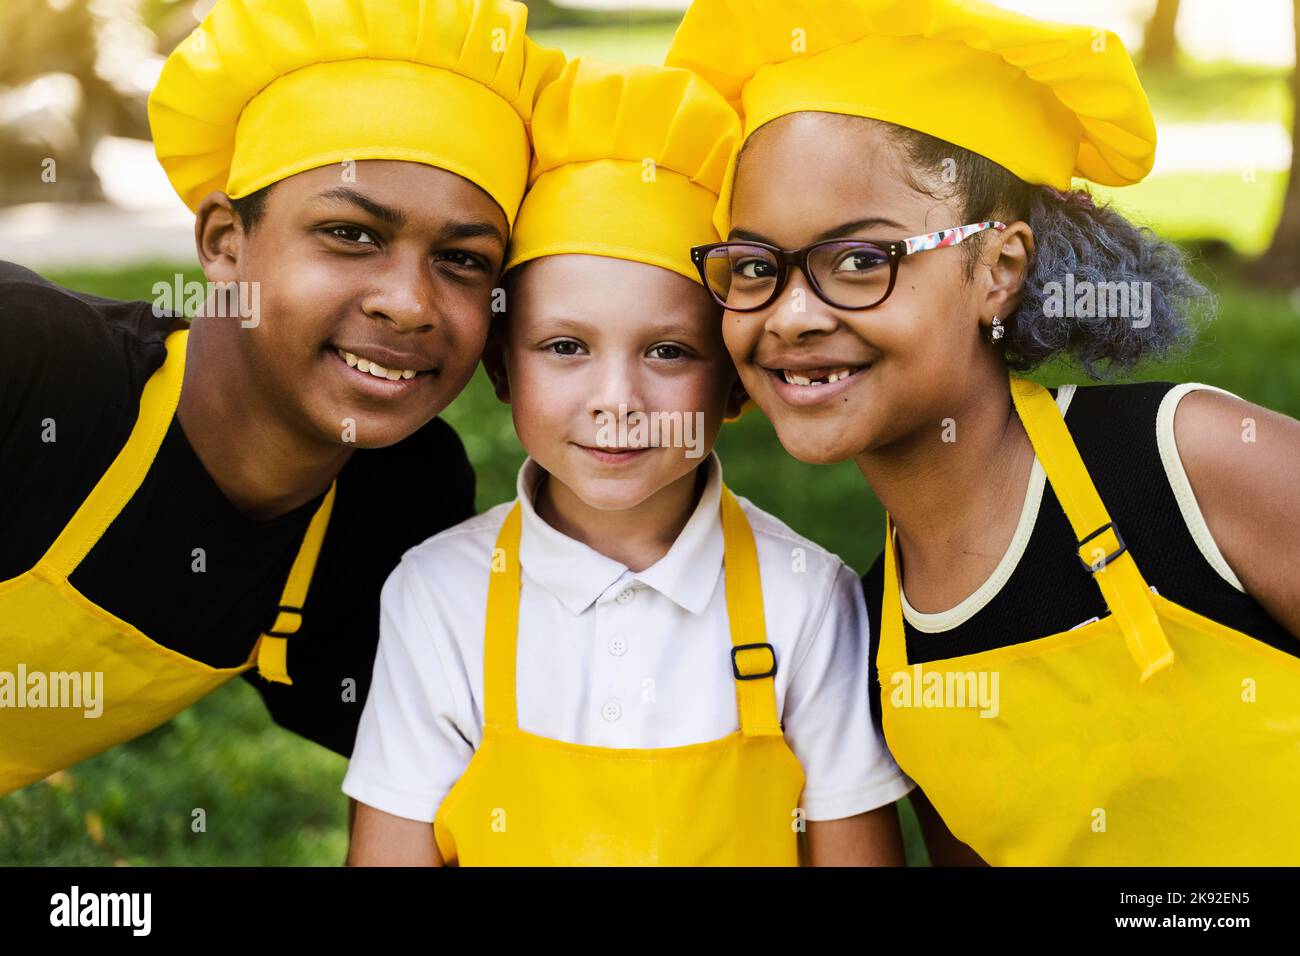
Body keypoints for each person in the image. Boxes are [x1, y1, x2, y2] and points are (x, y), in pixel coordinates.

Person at [667, 0, 1300, 864]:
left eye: (860, 261)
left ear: (999, 270)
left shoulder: (1189, 465)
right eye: (754, 268)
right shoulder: (874, 634)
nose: (793, 315)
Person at [342, 59, 914, 866]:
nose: (618, 399)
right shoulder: (436, 597)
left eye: (670, 351)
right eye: (566, 347)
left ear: (736, 384)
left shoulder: (807, 599)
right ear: (503, 370)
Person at [0, 0, 564, 798]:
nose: (409, 303)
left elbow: (462, 774)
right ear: (225, 245)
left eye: (463, 259)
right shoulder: (30, 368)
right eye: (351, 235)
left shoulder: (395, 497)